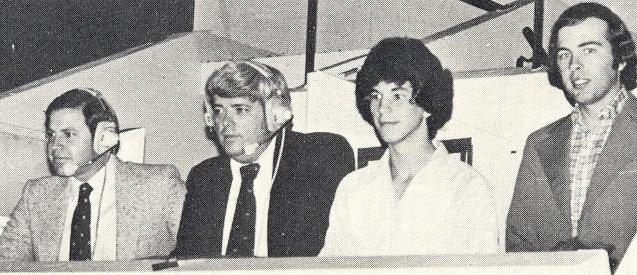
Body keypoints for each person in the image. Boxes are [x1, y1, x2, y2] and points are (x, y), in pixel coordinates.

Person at [320, 37, 499, 256]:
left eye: (397, 95)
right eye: (376, 96)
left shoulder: (466, 187)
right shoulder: (353, 188)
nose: (383, 109)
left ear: (427, 104)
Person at [171, 60, 355, 258]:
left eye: (240, 110)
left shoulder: (316, 157)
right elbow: (187, 259)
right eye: (218, 110)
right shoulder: (205, 176)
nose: (225, 123)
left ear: (275, 114)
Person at [506, 3, 637, 270]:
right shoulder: (539, 144)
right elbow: (519, 246)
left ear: (621, 58)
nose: (574, 66)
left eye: (589, 50)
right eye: (564, 55)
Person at [0, 88, 186, 261]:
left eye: (69, 134)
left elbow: (198, 259)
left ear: (104, 138)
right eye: (51, 135)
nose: (55, 146)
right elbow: (6, 261)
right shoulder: (36, 194)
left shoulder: (159, 185)